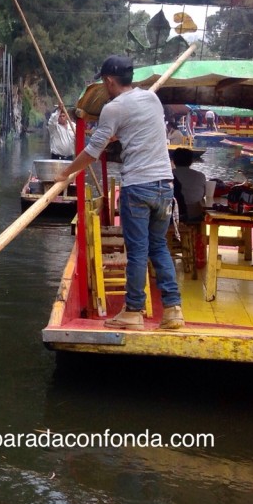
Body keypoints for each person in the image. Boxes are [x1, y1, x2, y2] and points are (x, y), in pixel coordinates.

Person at [58, 55, 184, 330]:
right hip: (165, 184)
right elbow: (139, 131)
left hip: (138, 186)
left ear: (109, 81)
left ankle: (134, 311)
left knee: (138, 251)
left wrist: (66, 173)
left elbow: (93, 152)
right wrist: (116, 134)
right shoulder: (151, 100)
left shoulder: (113, 109)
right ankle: (173, 310)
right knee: (158, 246)